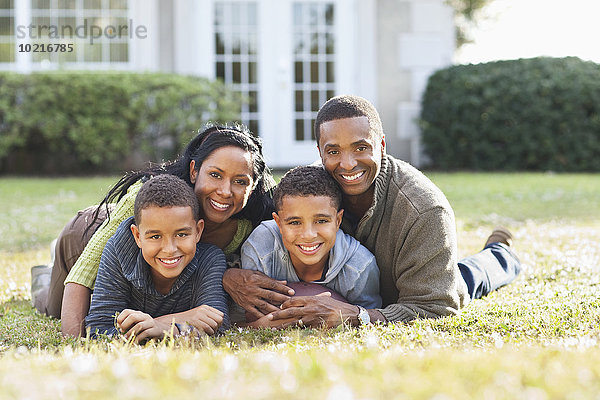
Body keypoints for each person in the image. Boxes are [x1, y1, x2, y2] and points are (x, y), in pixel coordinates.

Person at [223, 95, 521, 328]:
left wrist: (357, 317)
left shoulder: (426, 210)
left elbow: (435, 308)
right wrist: (230, 276)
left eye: (361, 148)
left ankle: (501, 254)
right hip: (355, 288)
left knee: (467, 278)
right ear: (320, 152)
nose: (348, 163)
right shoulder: (305, 193)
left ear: (381, 145)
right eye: (334, 151)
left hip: (404, 290)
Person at [33, 124, 278, 337]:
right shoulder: (143, 199)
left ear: (253, 185)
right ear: (194, 171)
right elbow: (83, 276)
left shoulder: (250, 219)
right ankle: (45, 275)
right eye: (215, 175)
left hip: (158, 261)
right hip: (86, 237)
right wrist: (73, 349)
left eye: (240, 181)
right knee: (56, 307)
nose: (225, 191)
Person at [86, 175, 228, 342]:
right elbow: (98, 331)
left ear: (198, 231)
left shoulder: (210, 259)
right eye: (155, 236)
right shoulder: (119, 251)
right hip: (81, 230)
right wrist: (178, 321)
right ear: (137, 236)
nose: (170, 249)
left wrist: (159, 327)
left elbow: (218, 327)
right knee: (51, 304)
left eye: (182, 234)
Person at [240, 165, 381, 328]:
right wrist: (265, 325)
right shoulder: (261, 246)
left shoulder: (359, 267)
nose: (308, 235)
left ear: (338, 220)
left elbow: (368, 321)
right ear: (278, 222)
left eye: (321, 221)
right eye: (295, 222)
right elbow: (241, 322)